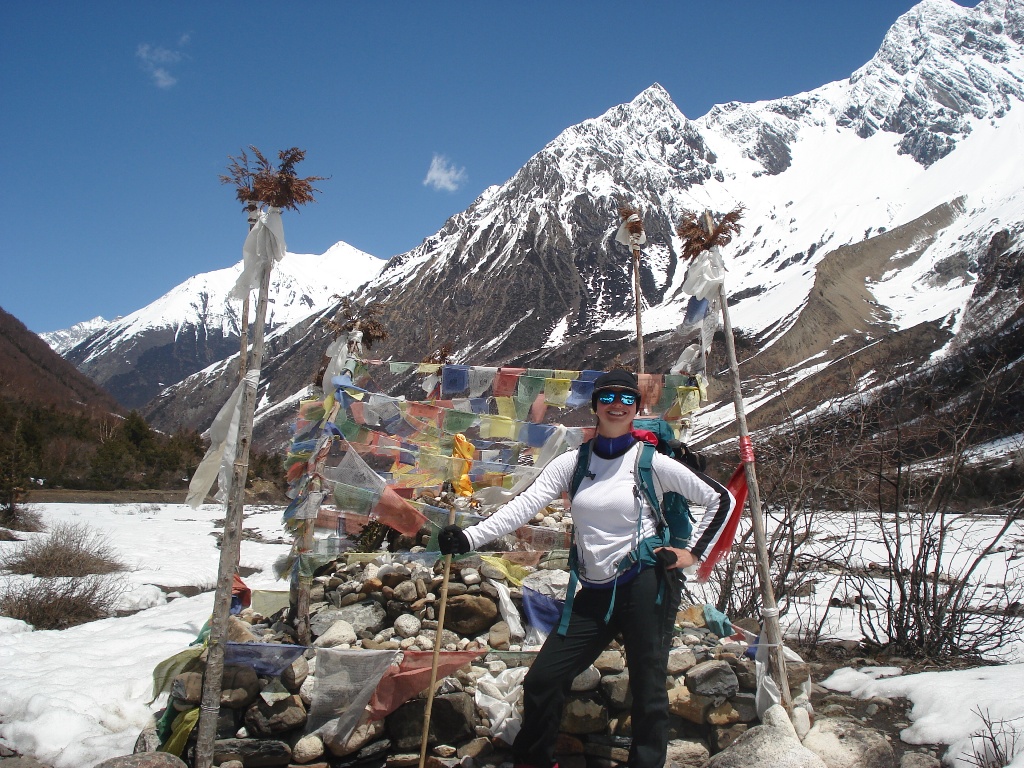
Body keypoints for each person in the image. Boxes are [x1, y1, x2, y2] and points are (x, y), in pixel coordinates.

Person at [438, 369, 735, 768]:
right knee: (543, 680)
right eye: (608, 397)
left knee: (648, 688)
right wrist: (471, 539)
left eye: (627, 399)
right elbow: (526, 504)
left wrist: (692, 554)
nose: (617, 405)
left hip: (646, 583)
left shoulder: (650, 462)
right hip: (595, 591)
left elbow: (721, 499)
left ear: (636, 408)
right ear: (594, 405)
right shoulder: (574, 462)